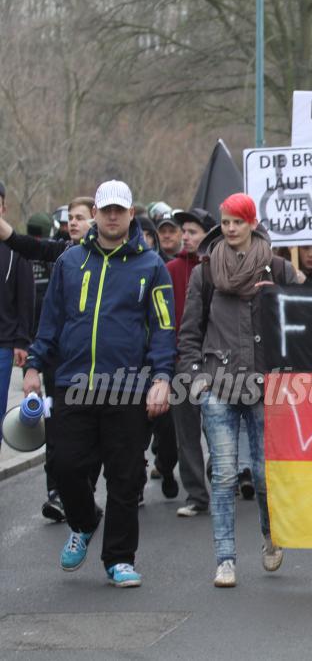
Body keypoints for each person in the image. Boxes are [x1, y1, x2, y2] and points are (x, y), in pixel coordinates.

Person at [23, 180, 176, 588]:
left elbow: (163, 327)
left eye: (118, 210)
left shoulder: (152, 266)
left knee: (126, 477)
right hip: (73, 383)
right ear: (95, 214)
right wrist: (34, 367)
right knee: (66, 466)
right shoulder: (70, 262)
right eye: (105, 209)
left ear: (130, 214)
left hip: (128, 388)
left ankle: (119, 558)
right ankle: (85, 521)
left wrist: (162, 377)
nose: (111, 216)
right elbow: (50, 320)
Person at [178, 193, 298, 587]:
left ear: (251, 223)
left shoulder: (277, 267)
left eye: (237, 222)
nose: (230, 228)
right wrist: (194, 374)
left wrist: (300, 285)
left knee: (264, 475)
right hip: (218, 383)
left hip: (266, 384)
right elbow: (190, 330)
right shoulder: (207, 271)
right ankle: (225, 559)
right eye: (225, 221)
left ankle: (271, 536)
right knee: (226, 474)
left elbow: (304, 320)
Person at [0, 196, 95, 521]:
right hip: (58, 365)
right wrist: (33, 365)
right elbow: (22, 243)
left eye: (80, 217)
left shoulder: (125, 261)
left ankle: (87, 496)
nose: (73, 222)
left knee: (94, 440)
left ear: (95, 219)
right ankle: (57, 493)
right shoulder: (63, 253)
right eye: (70, 217)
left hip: (101, 369)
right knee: (56, 432)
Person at [167, 208, 216, 516]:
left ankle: (222, 479)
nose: (185, 236)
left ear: (207, 237)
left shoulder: (218, 268)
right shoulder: (170, 269)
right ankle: (196, 494)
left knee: (217, 428)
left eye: (193, 231)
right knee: (186, 434)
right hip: (181, 360)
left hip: (215, 363)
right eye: (183, 231)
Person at [0, 181, 34, 440]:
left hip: (3, 343)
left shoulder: (16, 248)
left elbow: (26, 297)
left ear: (3, 207)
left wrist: (22, 340)